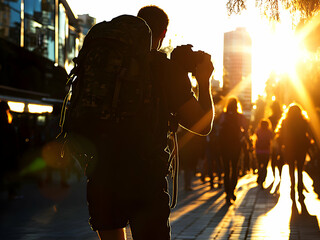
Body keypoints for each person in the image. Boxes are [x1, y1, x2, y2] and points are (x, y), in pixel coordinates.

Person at [85, 6, 214, 240]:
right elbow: (202, 125)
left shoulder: (106, 64)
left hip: (102, 175)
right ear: (163, 33)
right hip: (143, 180)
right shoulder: (163, 70)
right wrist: (203, 81)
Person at [276, 103, 312, 202]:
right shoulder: (304, 121)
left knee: (291, 170)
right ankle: (300, 192)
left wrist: (281, 148)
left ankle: (292, 190)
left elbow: (280, 136)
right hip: (301, 148)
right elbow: (308, 134)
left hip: (289, 148)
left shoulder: (285, 121)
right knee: (300, 170)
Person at [218, 97, 248, 205]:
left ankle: (227, 194)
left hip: (224, 145)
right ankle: (232, 191)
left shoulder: (223, 116)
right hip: (236, 145)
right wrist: (241, 137)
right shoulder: (240, 117)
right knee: (235, 168)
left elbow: (218, 129)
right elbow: (245, 129)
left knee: (226, 170)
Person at [0, 101, 20, 200]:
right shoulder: (8, 126)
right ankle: (12, 193)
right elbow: (14, 142)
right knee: (10, 174)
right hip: (8, 154)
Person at [255, 119, 274, 188]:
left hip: (258, 151)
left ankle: (259, 177)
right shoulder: (269, 132)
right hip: (266, 151)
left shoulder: (258, 131)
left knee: (259, 165)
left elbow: (256, 138)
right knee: (265, 166)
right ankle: (262, 179)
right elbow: (272, 139)